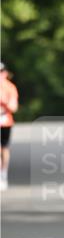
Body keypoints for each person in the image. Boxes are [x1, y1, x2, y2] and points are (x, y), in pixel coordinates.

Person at [0, 63, 19, 191]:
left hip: (5, 121)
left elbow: (14, 107)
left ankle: (3, 174)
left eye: (1, 72)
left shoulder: (10, 87)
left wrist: (4, 103)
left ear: (5, 73)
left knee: (4, 148)